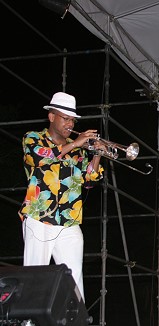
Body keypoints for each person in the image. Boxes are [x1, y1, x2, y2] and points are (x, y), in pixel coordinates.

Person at [18, 92, 104, 301]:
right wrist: (75, 144)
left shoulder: (78, 152)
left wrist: (98, 154)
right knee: (35, 277)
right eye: (65, 118)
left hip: (69, 220)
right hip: (39, 217)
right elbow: (40, 159)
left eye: (72, 119)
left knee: (74, 280)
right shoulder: (33, 138)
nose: (70, 123)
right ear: (51, 117)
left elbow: (90, 179)